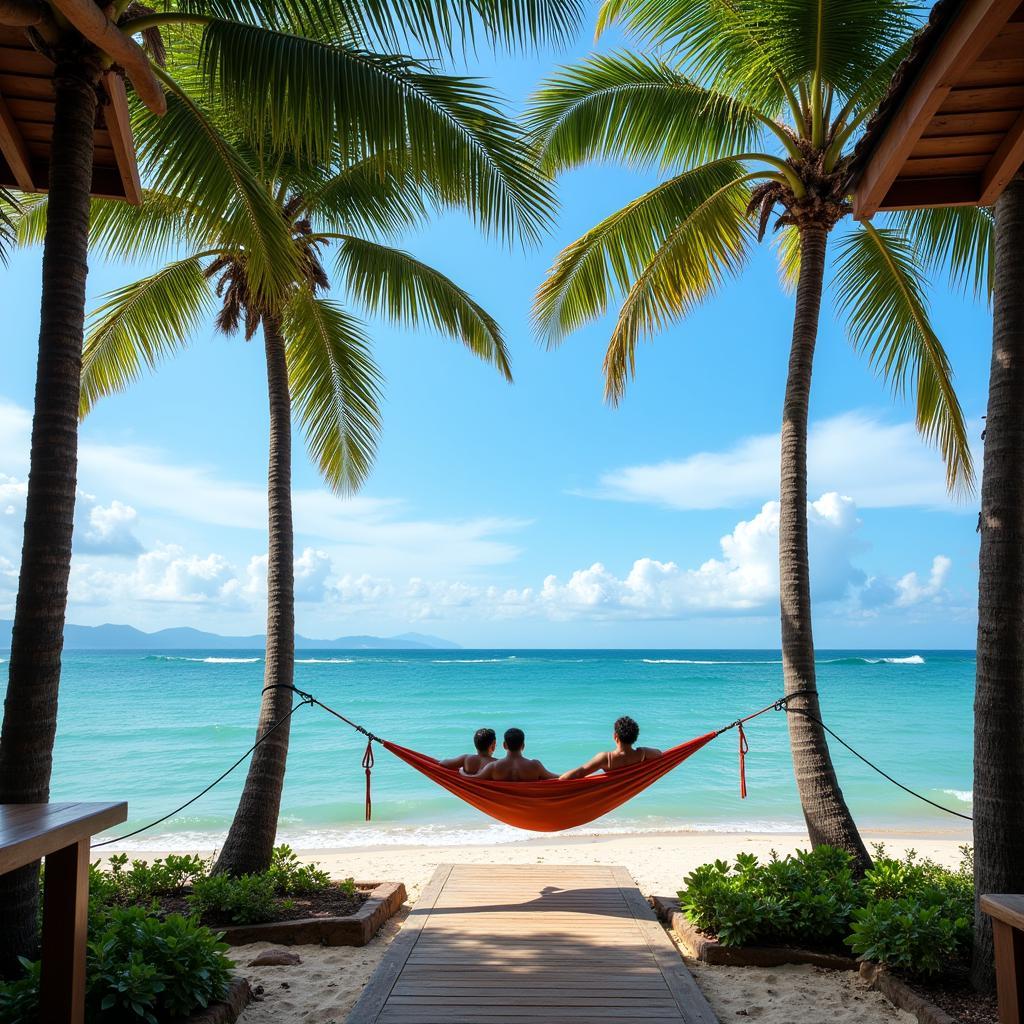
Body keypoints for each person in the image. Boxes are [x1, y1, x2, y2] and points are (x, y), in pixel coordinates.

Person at [559, 716, 662, 780]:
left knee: (559, 777)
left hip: (603, 792)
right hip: (624, 791)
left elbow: (580, 772)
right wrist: (643, 749)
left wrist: (561, 780)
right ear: (635, 738)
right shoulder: (641, 754)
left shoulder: (607, 759)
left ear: (615, 737)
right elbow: (659, 753)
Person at [475, 727, 559, 781]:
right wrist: (572, 776)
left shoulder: (494, 767)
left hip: (502, 805)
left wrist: (462, 772)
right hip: (528, 806)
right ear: (523, 746)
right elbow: (558, 779)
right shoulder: (535, 766)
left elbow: (474, 779)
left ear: (504, 745)